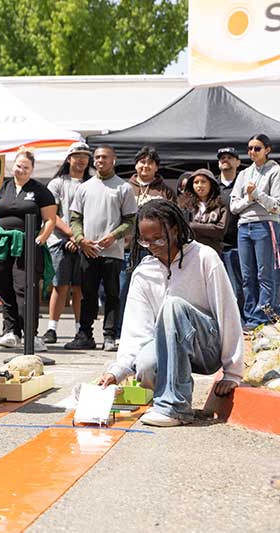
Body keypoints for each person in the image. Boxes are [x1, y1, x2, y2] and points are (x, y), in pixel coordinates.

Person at [98, 199, 243, 427]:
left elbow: (227, 312)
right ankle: (169, 394)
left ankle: (175, 407)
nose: (152, 245)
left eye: (159, 238)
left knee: (173, 305)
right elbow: (136, 331)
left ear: (175, 229)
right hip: (170, 348)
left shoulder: (204, 257)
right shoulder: (144, 272)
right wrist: (117, 372)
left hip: (206, 345)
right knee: (144, 364)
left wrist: (232, 372)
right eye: (145, 241)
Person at [0, 149, 56, 352]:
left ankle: (31, 334)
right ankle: (10, 331)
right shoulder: (1, 187)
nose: (21, 170)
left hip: (27, 245)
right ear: (12, 166)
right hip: (1, 244)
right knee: (4, 287)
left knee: (24, 288)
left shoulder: (41, 191)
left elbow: (50, 220)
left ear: (32, 170)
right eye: (18, 165)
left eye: (26, 167)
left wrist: (40, 239)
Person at [65, 145, 137, 352]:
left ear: (113, 160)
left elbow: (130, 220)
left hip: (112, 252)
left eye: (104, 157)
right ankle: (85, 334)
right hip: (88, 250)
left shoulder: (123, 188)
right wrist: (80, 239)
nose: (100, 161)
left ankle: (110, 336)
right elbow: (75, 218)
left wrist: (114, 235)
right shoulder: (84, 187)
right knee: (87, 295)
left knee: (112, 295)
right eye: (97, 157)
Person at [118, 146, 176, 339]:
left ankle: (154, 331)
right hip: (127, 247)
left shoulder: (165, 191)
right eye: (142, 161)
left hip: (155, 248)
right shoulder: (125, 187)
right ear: (135, 164)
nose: (145, 166)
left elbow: (172, 218)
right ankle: (121, 332)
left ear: (156, 167)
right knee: (124, 289)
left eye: (150, 162)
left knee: (156, 289)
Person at [43, 142, 93, 344]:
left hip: (86, 240)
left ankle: (79, 329)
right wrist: (72, 235)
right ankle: (51, 328)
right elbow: (52, 214)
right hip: (59, 240)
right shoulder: (57, 183)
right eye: (77, 155)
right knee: (60, 285)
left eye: (85, 156)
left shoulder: (93, 183)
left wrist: (80, 239)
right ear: (69, 158)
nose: (81, 159)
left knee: (80, 287)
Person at [229, 134, 280, 329]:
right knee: (247, 275)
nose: (252, 152)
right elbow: (234, 207)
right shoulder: (243, 174)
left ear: (267, 149)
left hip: (266, 225)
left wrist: (256, 193)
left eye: (257, 148)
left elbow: (276, 206)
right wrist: (250, 200)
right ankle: (251, 317)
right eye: (249, 148)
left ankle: (265, 315)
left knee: (265, 274)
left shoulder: (275, 171)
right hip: (244, 226)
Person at [216, 147, 244, 317]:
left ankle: (240, 321)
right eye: (222, 158)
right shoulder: (211, 185)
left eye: (230, 157)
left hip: (238, 245)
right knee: (217, 288)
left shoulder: (244, 184)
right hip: (215, 246)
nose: (225, 160)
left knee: (238, 287)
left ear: (238, 162)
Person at [178, 168, 228, 254]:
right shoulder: (184, 205)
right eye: (196, 182)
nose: (199, 185)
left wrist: (192, 226)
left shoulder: (221, 206)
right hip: (190, 251)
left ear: (211, 184)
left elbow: (220, 231)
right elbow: (181, 229)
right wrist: (208, 228)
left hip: (213, 251)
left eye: (203, 182)